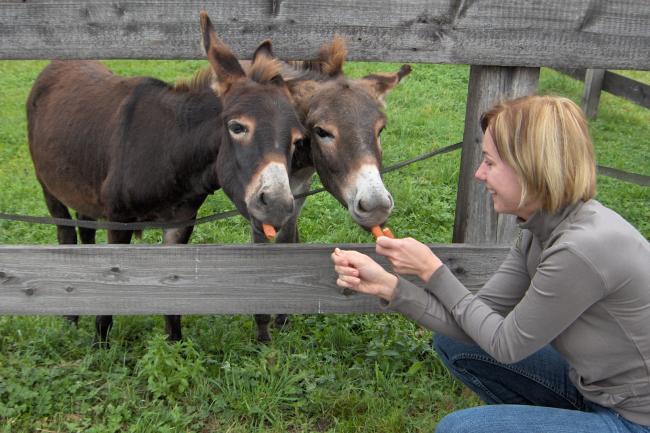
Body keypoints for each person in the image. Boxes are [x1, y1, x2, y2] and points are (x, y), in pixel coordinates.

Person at [331, 95, 650, 433]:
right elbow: (476, 321)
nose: (479, 174)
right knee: (454, 342)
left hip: (635, 420)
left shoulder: (581, 249)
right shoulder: (538, 230)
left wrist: (433, 271)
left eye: (490, 162)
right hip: (593, 390)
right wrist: (392, 288)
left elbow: (506, 345)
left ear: (531, 167)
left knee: (461, 430)